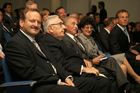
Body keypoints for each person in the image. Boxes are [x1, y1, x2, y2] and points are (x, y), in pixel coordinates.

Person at [5, 9, 81, 93]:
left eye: (39, 22)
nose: (36, 25)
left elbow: (54, 62)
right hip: (36, 85)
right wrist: (57, 80)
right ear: (21, 22)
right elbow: (30, 71)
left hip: (52, 79)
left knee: (92, 82)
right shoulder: (14, 44)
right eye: (32, 21)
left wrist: (66, 77)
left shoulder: (40, 40)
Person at [63, 16, 140, 93]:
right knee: (118, 63)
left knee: (113, 61)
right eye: (73, 24)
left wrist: (101, 56)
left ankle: (126, 87)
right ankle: (128, 86)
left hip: (95, 60)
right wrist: (92, 61)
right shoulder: (73, 39)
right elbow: (80, 57)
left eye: (76, 24)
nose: (76, 26)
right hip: (88, 65)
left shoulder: (80, 38)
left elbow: (93, 52)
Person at [38, 15, 112, 93]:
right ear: (51, 29)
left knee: (106, 78)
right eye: (60, 24)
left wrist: (84, 62)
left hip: (76, 71)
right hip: (69, 75)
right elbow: (61, 63)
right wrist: (83, 69)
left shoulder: (57, 40)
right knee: (103, 82)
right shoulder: (49, 41)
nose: (64, 27)